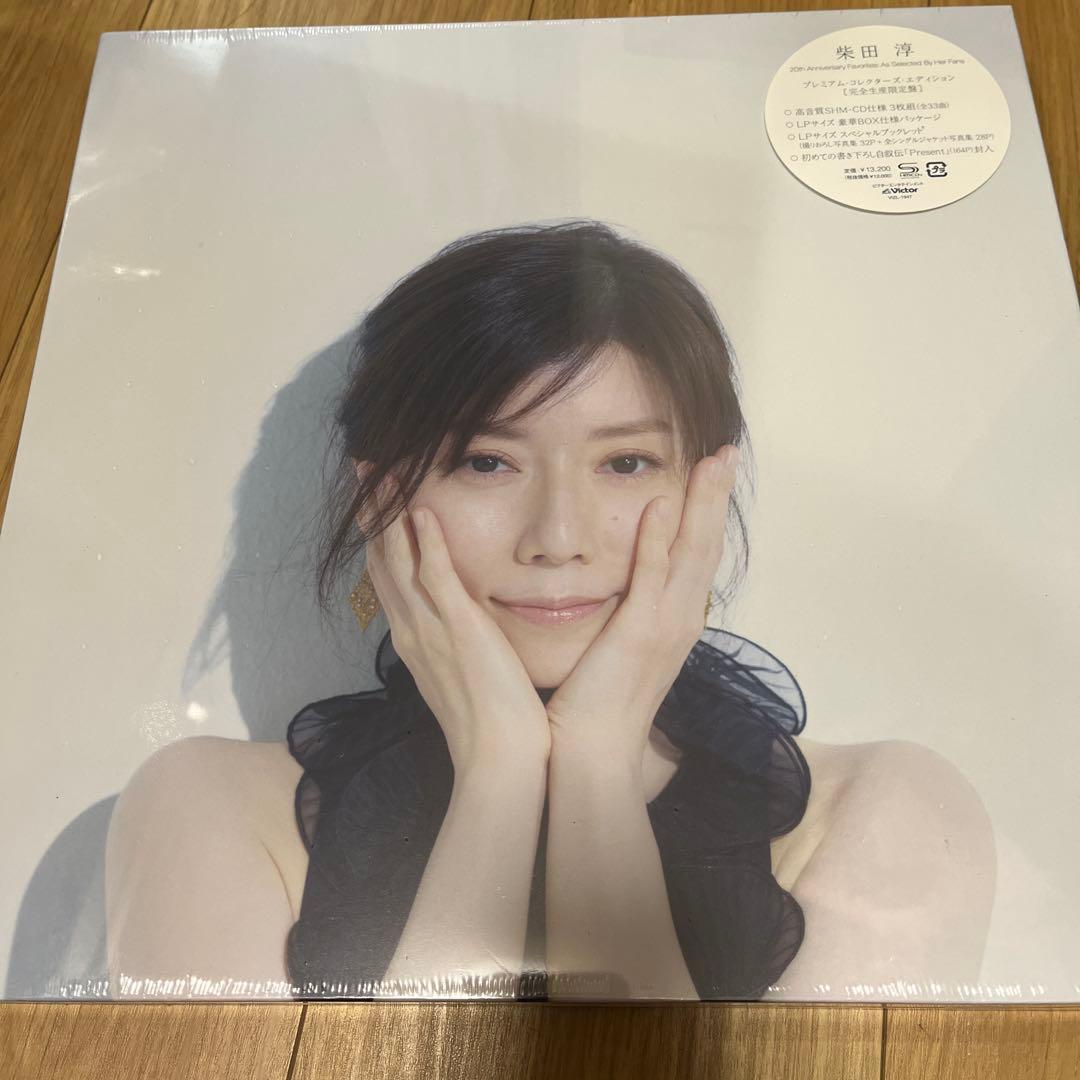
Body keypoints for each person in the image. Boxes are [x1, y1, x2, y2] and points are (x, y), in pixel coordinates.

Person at [104, 221, 995, 1001]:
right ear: (379, 503)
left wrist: (596, 763)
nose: (558, 538)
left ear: (707, 492)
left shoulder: (884, 812)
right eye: (486, 462)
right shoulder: (212, 811)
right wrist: (498, 773)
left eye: (626, 463)